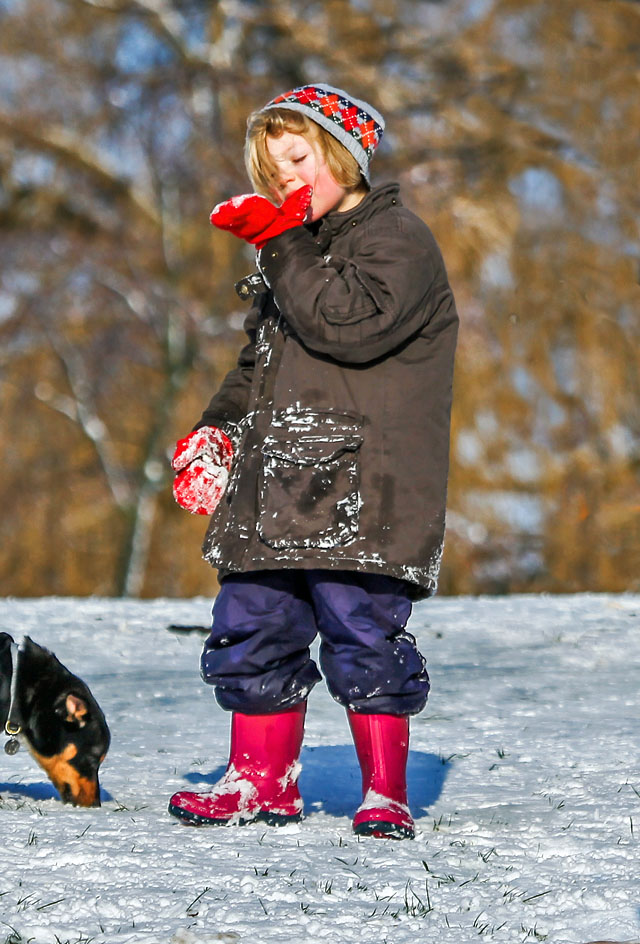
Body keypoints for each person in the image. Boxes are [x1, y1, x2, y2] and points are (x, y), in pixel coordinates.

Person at [168, 83, 459, 839]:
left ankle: (385, 790)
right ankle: (260, 781)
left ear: (345, 154)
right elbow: (258, 362)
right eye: (272, 168)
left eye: (300, 158)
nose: (286, 178)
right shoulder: (293, 249)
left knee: (361, 629)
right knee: (252, 623)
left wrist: (281, 244)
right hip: (277, 485)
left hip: (364, 485)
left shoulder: (396, 239)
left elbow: (347, 325)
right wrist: (218, 431)